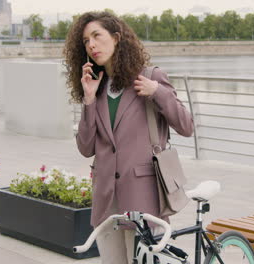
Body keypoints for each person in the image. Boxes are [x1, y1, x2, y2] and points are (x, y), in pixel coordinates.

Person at [64, 11, 194, 264]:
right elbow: (86, 147)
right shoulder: (96, 87)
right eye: (85, 40)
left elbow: (187, 126)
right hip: (106, 199)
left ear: (116, 37)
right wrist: (88, 100)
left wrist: (157, 92)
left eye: (97, 36)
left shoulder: (149, 77)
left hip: (143, 197)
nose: (91, 44)